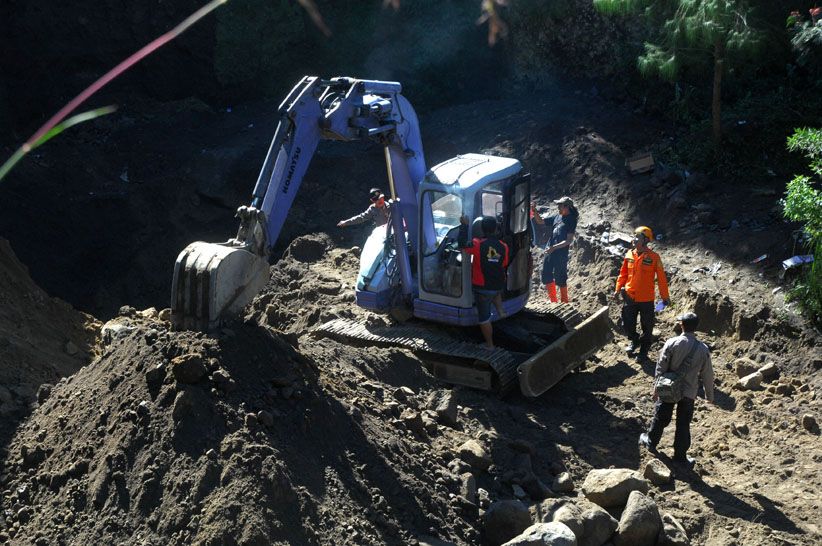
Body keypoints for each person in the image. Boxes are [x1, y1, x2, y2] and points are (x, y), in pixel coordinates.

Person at [639, 311, 715, 468]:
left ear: (681, 325)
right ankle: (680, 457)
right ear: (696, 328)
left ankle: (651, 442)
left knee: (661, 417)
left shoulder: (672, 343)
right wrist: (709, 395)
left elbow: (661, 367)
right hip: (689, 392)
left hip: (668, 388)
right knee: (683, 423)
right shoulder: (703, 349)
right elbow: (708, 374)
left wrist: (656, 388)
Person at [614, 225, 669, 359]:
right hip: (629, 296)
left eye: (637, 237)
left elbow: (661, 279)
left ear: (645, 240)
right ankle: (634, 340)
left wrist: (665, 297)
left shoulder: (654, 257)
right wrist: (617, 289)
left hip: (646, 299)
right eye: (634, 236)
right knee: (628, 324)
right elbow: (623, 274)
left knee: (647, 326)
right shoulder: (629, 254)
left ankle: (644, 350)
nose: (634, 239)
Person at [459, 215, 509, 348]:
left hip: (482, 288)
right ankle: (500, 311)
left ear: (481, 229)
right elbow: (503, 263)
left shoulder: (477, 244)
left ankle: (490, 345)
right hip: (498, 285)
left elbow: (462, 244)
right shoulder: (504, 246)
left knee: (484, 318)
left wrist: (464, 225)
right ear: (496, 229)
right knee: (495, 292)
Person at [531, 196, 578, 303]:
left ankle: (565, 302)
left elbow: (568, 240)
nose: (558, 208)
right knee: (546, 275)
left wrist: (554, 247)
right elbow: (540, 221)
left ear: (567, 207)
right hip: (550, 250)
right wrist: (535, 211)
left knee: (560, 277)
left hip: (560, 253)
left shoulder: (571, 220)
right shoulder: (557, 217)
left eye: (560, 206)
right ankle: (553, 301)